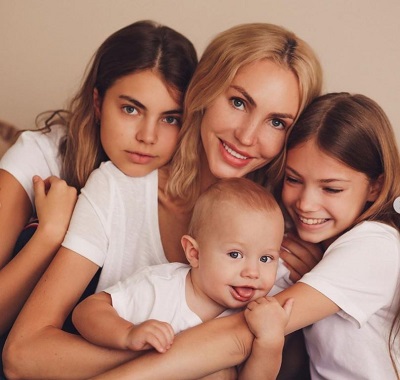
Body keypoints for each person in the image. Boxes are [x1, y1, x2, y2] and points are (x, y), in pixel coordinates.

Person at [4, 22, 323, 379]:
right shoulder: (118, 190)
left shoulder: (279, 240)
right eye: (238, 102)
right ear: (202, 92)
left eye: (277, 122)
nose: (247, 136)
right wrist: (188, 360)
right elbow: (22, 355)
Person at [98, 92, 400, 380]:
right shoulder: (292, 246)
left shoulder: (375, 246)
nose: (306, 203)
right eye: (293, 179)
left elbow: (236, 336)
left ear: (375, 187)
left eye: (331, 188)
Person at [0, 20, 197, 338]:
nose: (147, 136)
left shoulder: (189, 193)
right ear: (97, 103)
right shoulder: (39, 157)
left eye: (170, 118)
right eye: (131, 109)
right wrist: (49, 235)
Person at [72, 178, 293, 380]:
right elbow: (87, 311)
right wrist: (127, 334)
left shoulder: (256, 315)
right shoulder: (159, 286)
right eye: (235, 255)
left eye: (266, 258)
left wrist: (271, 341)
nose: (252, 272)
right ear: (194, 253)